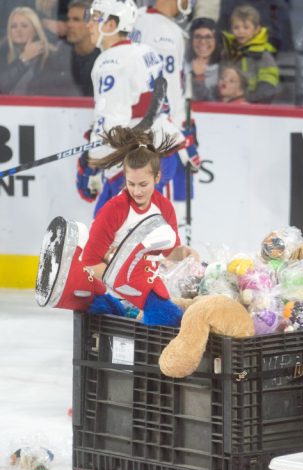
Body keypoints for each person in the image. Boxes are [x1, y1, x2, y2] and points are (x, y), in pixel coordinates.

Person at [75, 0, 185, 216]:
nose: (88, 24)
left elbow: (112, 123)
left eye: (96, 17)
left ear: (111, 25)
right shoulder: (145, 51)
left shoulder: (111, 62)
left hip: (139, 163)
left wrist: (93, 161)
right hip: (163, 149)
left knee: (109, 237)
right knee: (148, 234)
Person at [83, 125, 197, 325]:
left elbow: (169, 253)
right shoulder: (113, 210)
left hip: (148, 287)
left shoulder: (165, 208)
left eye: (143, 184)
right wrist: (128, 287)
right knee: (168, 319)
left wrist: (185, 254)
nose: (136, 191)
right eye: (131, 184)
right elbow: (90, 263)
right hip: (116, 294)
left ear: (157, 178)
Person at [132, 0, 202, 212]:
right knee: (166, 208)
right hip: (163, 133)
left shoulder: (139, 18)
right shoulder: (165, 32)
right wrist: (182, 134)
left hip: (141, 128)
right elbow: (166, 94)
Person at [0, 6, 74, 96]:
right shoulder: (3, 53)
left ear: (35, 30)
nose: (18, 30)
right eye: (13, 26)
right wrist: (23, 59)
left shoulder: (51, 56)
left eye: (24, 26)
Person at [221, 5, 279, 103]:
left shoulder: (263, 56)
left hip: (255, 109)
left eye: (246, 27)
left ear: (256, 29)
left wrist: (248, 100)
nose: (241, 31)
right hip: (228, 106)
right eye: (236, 27)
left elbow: (268, 86)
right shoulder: (227, 53)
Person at [64, 0, 99, 97]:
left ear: (92, 24)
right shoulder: (60, 55)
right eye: (68, 19)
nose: (69, 24)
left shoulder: (105, 60)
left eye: (76, 20)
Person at [186, 17, 221, 101]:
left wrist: (199, 77)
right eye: (197, 36)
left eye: (208, 37)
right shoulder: (181, 66)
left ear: (216, 40)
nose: (202, 42)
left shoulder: (223, 70)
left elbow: (212, 104)